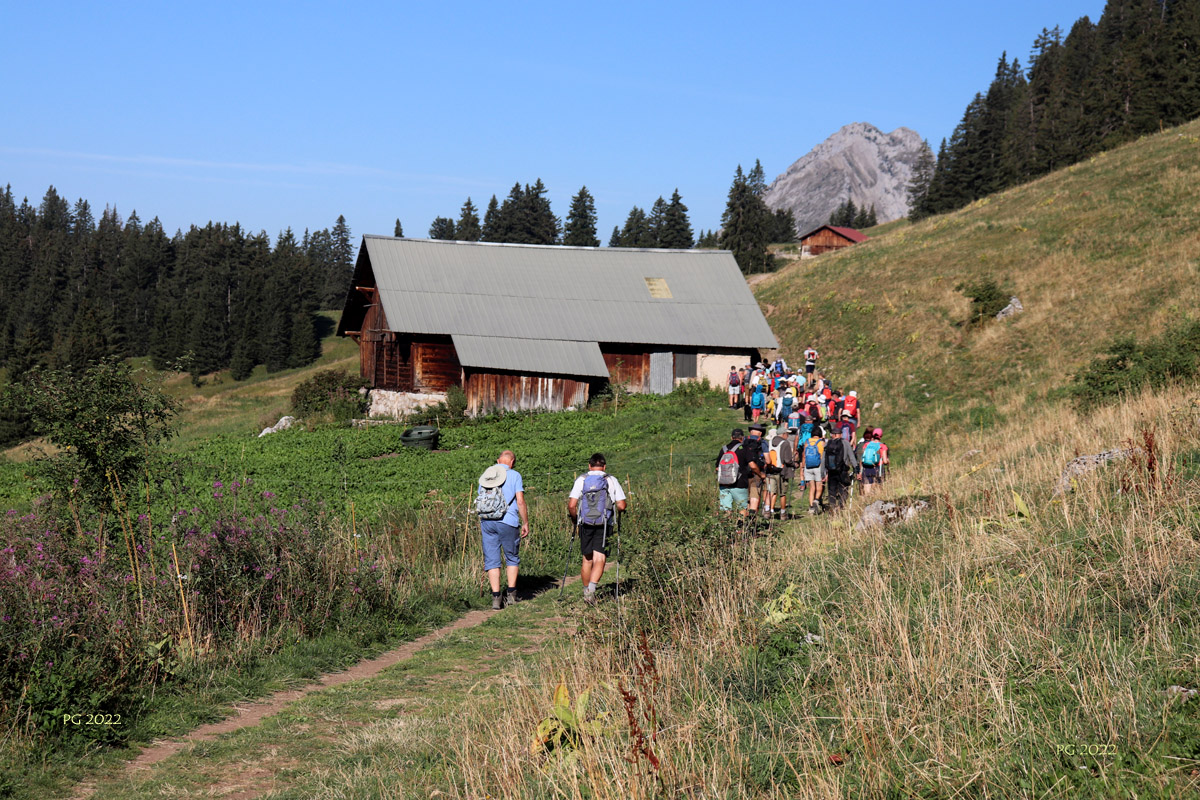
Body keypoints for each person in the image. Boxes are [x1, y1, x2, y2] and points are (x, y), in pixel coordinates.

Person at [567, 453, 628, 606]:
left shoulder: (582, 479)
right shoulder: (610, 480)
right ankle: (591, 591)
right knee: (600, 558)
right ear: (604, 466)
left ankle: (585, 591)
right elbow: (621, 505)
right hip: (604, 523)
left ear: (589, 465)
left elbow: (571, 505)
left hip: (585, 523)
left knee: (587, 559)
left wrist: (575, 519)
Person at [476, 451, 529, 610]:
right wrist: (525, 522)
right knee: (511, 556)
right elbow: (520, 500)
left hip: (487, 521)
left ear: (498, 460)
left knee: (492, 559)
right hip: (508, 520)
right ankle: (511, 595)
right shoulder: (515, 475)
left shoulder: (487, 474)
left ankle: (496, 598)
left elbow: (480, 496)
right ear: (512, 462)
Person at [716, 427, 760, 524]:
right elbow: (752, 466)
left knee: (725, 509)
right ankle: (741, 530)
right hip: (739, 484)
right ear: (742, 438)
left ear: (731, 437)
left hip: (724, 484)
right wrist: (760, 474)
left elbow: (717, 468)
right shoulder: (744, 449)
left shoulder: (724, 449)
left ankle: (726, 531)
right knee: (742, 509)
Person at [764, 426, 796, 520]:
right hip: (782, 472)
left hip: (770, 471)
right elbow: (787, 460)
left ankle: (767, 511)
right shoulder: (785, 443)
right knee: (782, 493)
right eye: (787, 434)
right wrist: (794, 464)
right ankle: (783, 513)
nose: (788, 436)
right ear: (783, 434)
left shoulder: (769, 442)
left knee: (770, 492)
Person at [824, 428, 857, 509]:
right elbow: (851, 456)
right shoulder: (845, 443)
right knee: (843, 488)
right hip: (842, 470)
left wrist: (823, 472)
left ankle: (832, 506)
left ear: (832, 434)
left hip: (831, 471)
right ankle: (841, 506)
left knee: (832, 490)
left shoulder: (828, 443)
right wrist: (856, 467)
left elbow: (824, 459)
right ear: (840, 434)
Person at [801, 424, 826, 514]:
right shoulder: (821, 442)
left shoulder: (807, 442)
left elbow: (804, 455)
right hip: (818, 466)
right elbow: (823, 456)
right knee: (819, 485)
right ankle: (816, 500)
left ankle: (811, 508)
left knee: (812, 487)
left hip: (808, 466)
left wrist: (803, 467)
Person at [745, 423, 768, 518]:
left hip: (743, 474)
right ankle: (751, 518)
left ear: (750, 431)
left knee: (746, 498)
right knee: (754, 496)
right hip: (757, 474)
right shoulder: (763, 443)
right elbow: (768, 459)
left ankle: (743, 520)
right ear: (761, 433)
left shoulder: (744, 441)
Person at [859, 430, 885, 497]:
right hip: (878, 468)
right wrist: (887, 461)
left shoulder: (866, 445)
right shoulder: (882, 446)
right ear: (881, 436)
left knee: (867, 491)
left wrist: (860, 471)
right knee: (878, 492)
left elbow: (862, 458)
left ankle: (867, 504)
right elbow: (884, 461)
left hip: (866, 467)